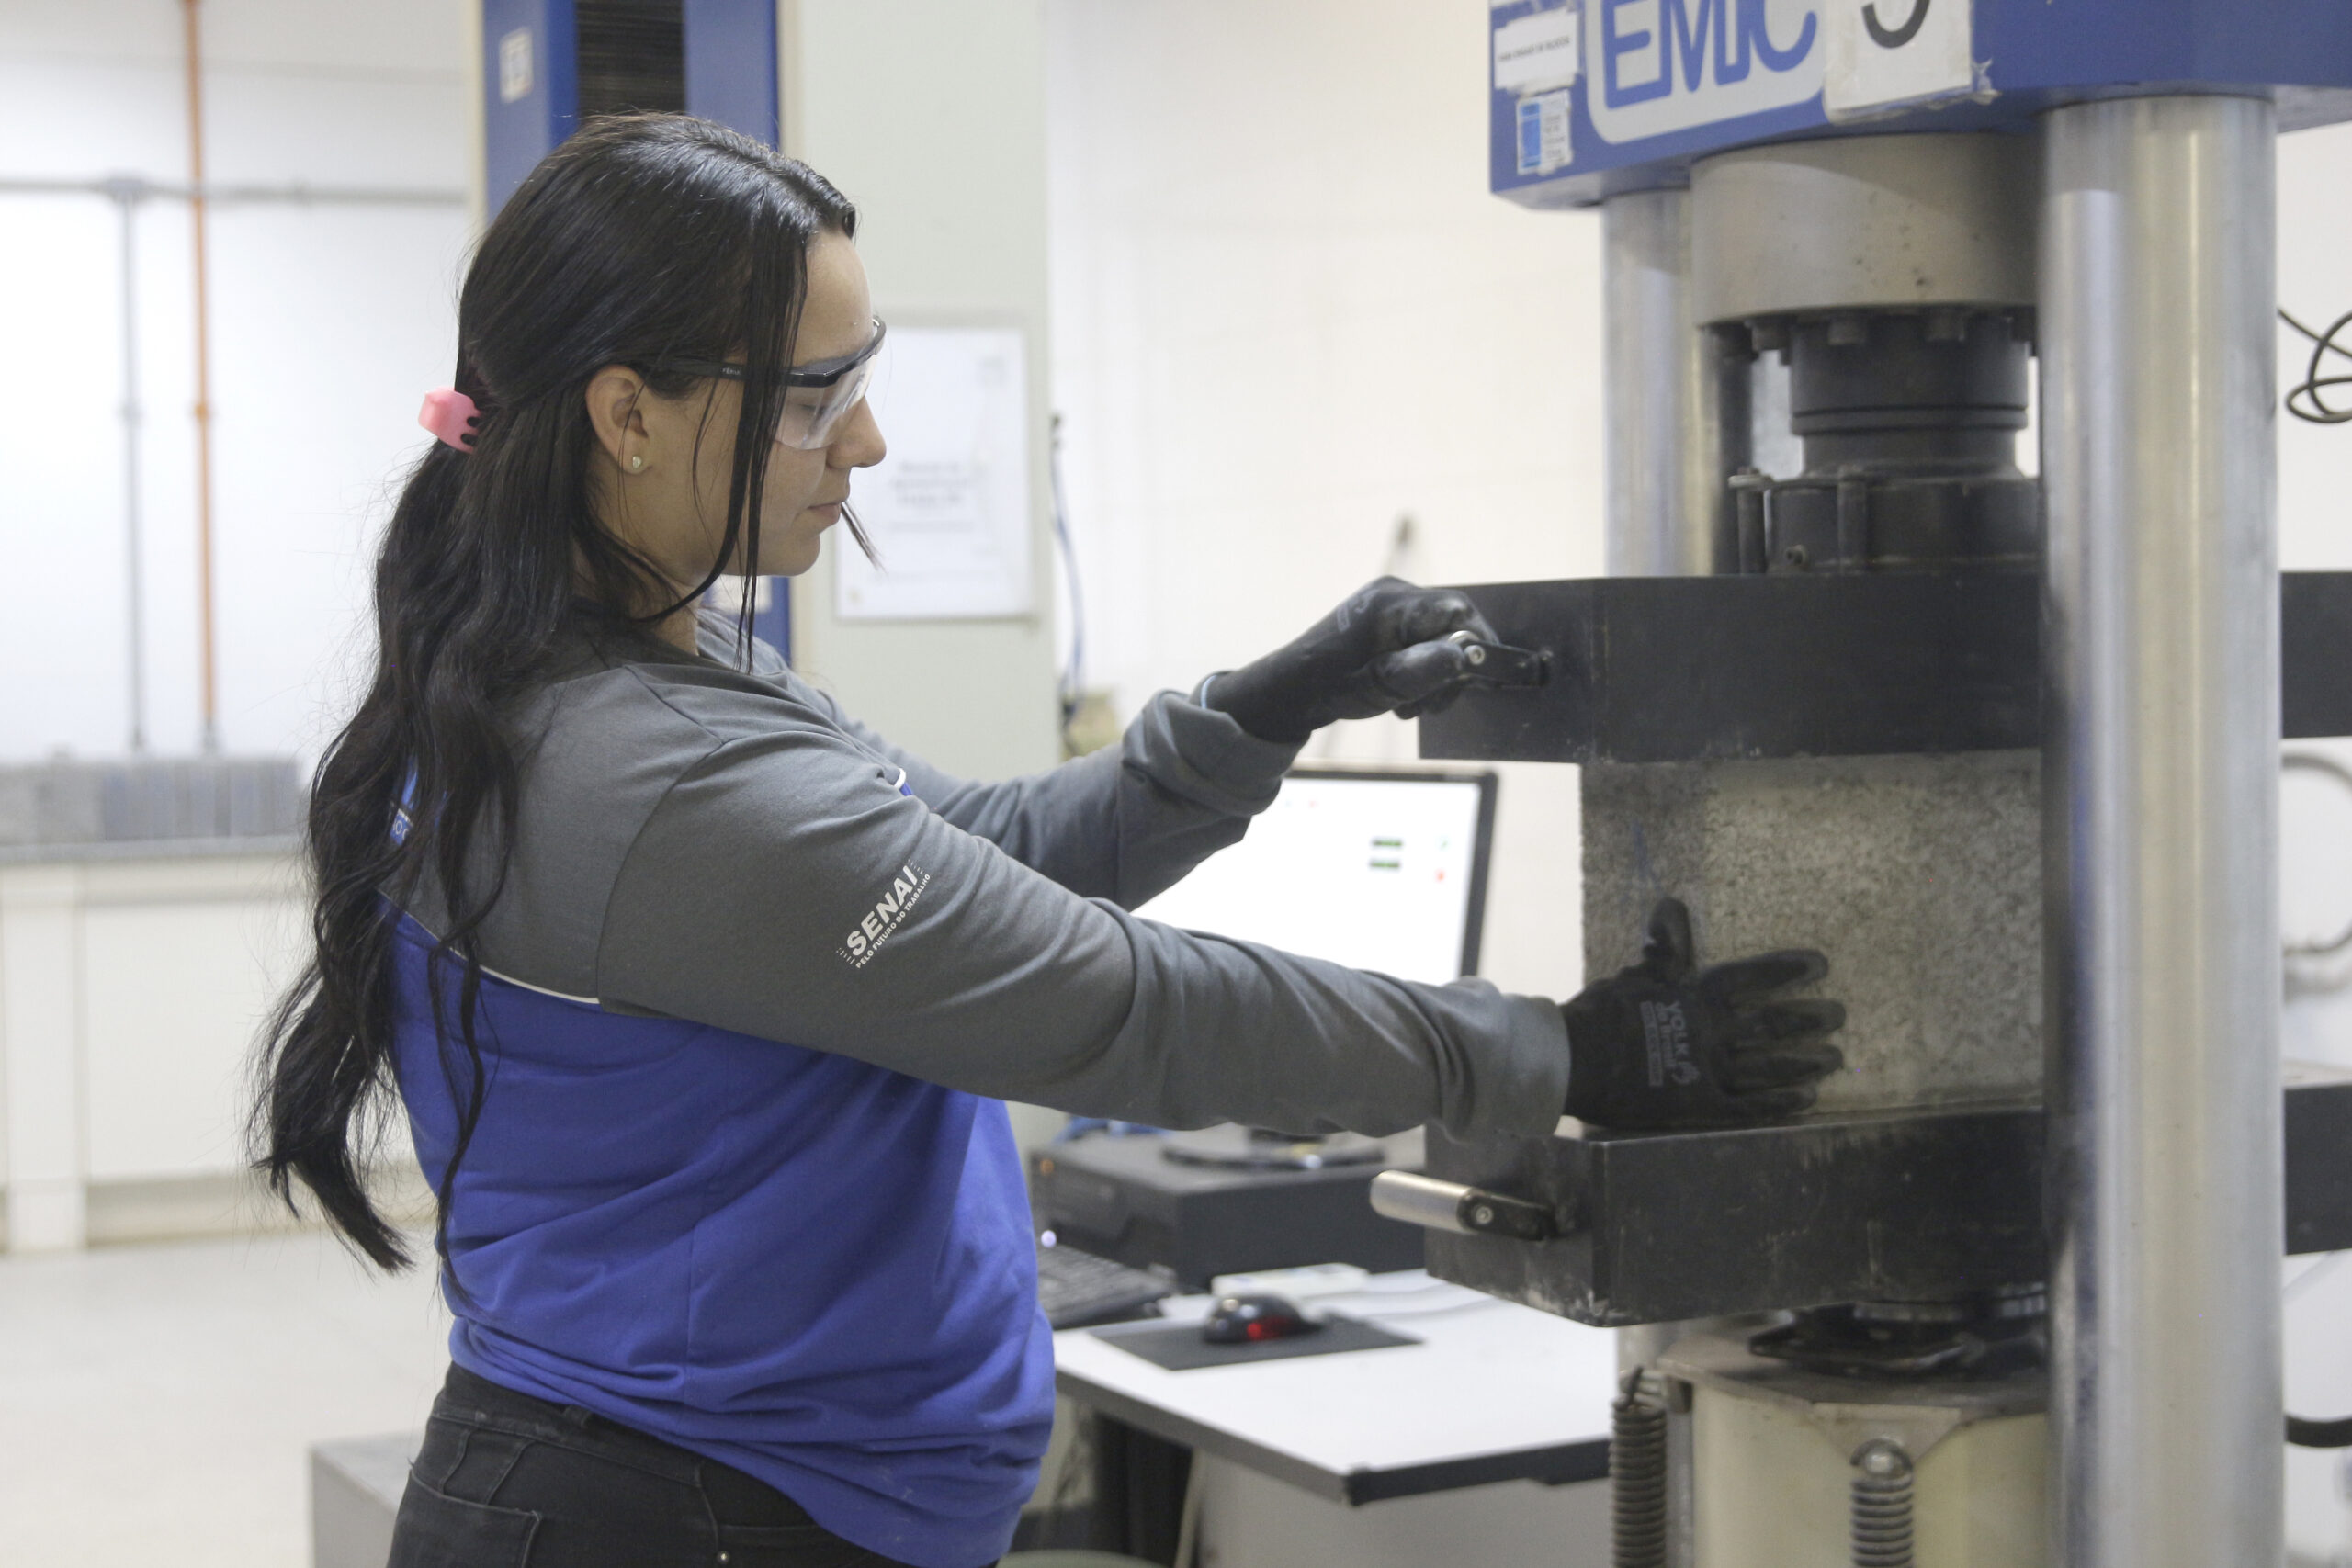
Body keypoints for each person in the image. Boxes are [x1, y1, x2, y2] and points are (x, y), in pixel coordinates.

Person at [254, 115, 1845, 1568]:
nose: (864, 445)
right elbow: (1109, 1004)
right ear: (628, 414)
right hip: (678, 1514)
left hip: (696, 1488)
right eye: (815, 398)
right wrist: (1549, 1054)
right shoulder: (646, 777)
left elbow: (982, 855)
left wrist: (1258, 713)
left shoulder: (629, 670)